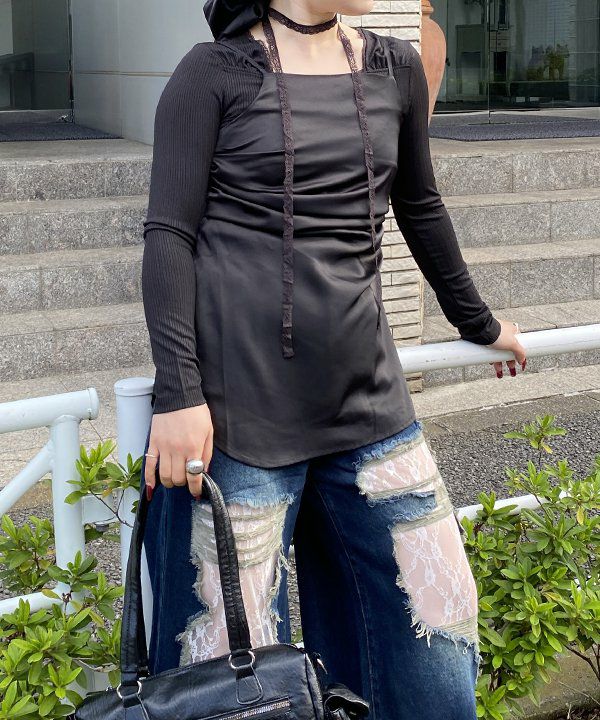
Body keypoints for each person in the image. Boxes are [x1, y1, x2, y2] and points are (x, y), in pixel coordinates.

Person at [139, 0, 527, 717]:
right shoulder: (212, 73)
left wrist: (478, 322)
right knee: (232, 674)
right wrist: (178, 393)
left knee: (438, 622)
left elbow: (420, 205)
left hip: (369, 404)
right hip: (238, 419)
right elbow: (169, 235)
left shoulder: (394, 66)